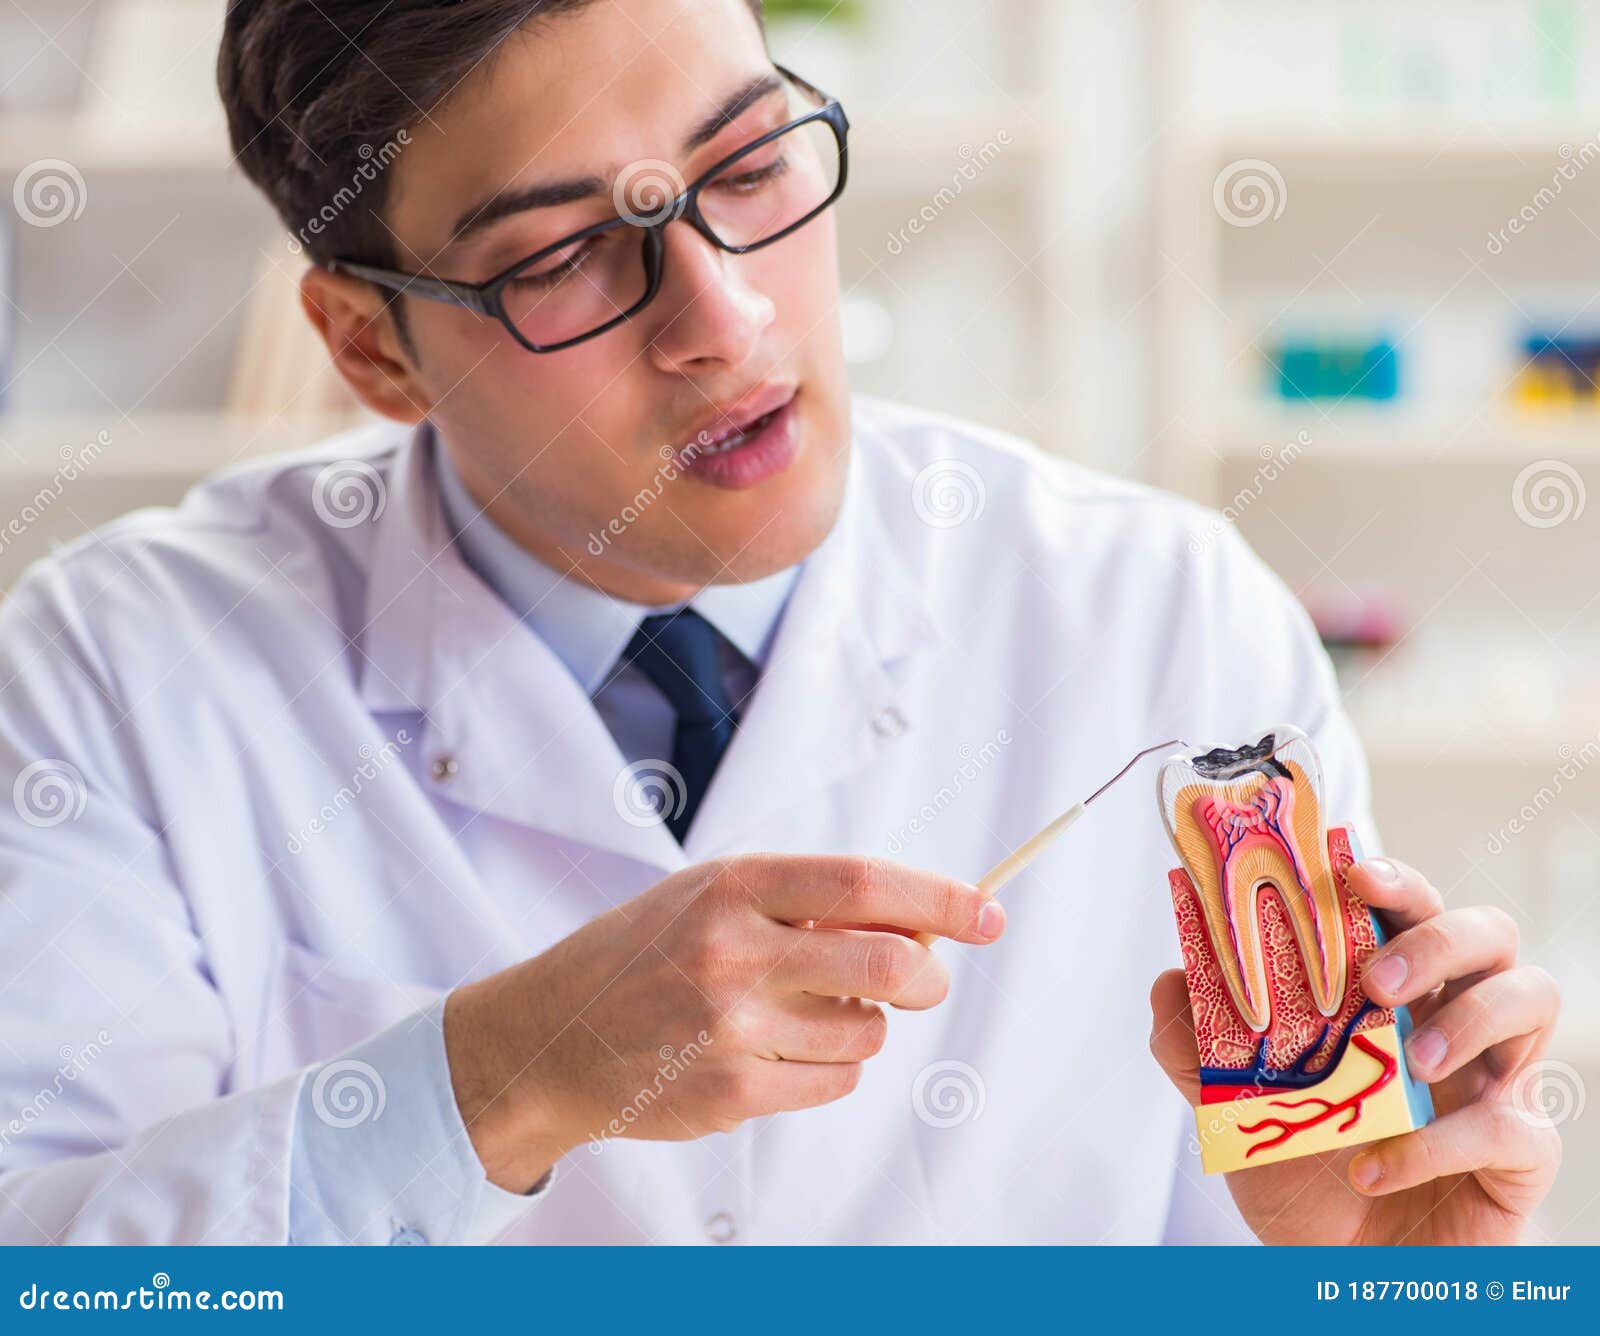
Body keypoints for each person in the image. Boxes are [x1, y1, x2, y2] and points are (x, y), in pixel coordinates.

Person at [0, 0, 1559, 1245]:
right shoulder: (122, 670)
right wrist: (494, 1081)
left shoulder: (1161, 612)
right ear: (371, 345)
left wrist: (1383, 1288)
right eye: (556, 259)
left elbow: (1323, 1245)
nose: (725, 319)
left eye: (748, 167)